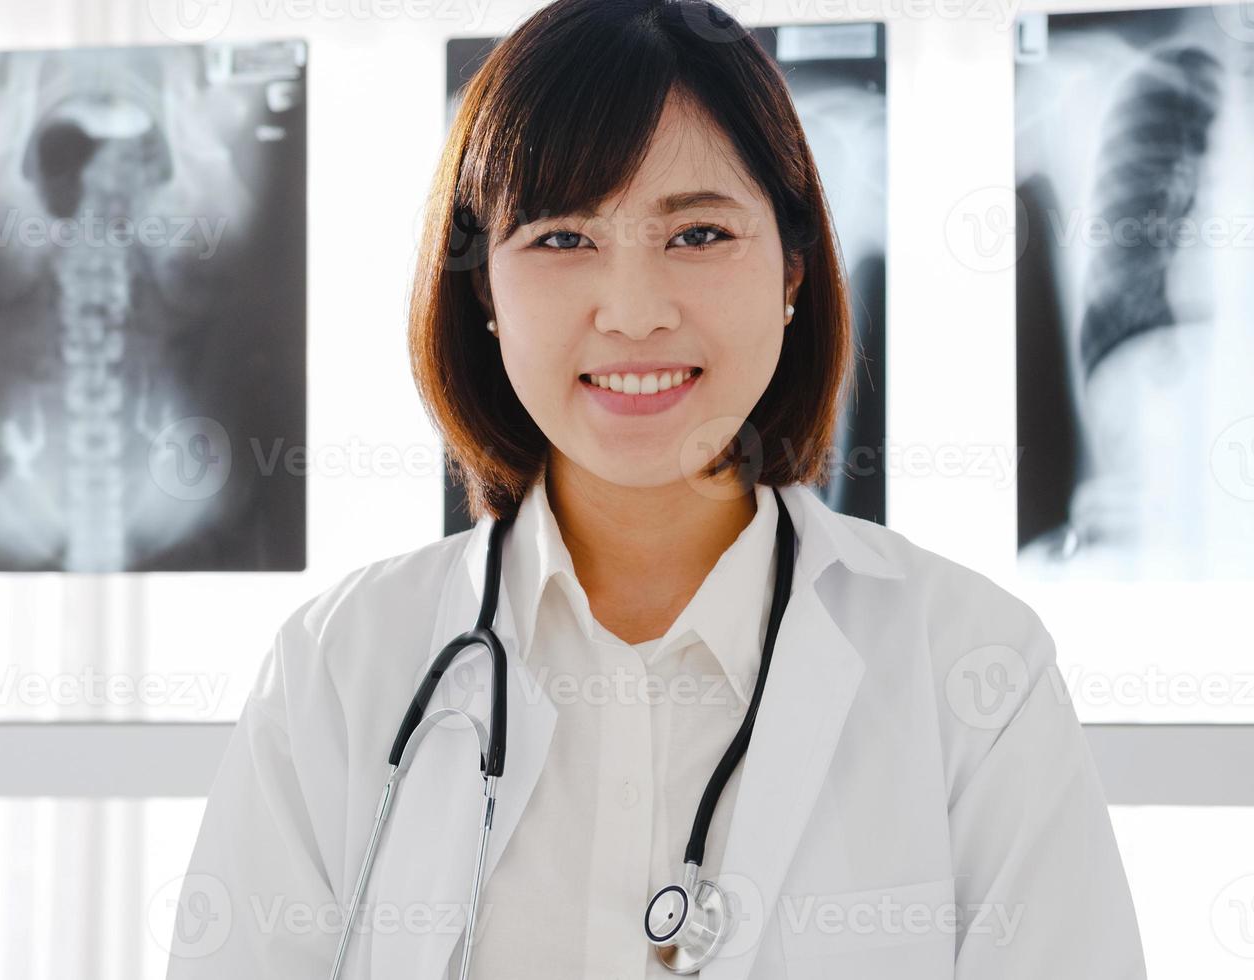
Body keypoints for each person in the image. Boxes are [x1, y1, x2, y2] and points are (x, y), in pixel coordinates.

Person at [165, 0, 1145, 976]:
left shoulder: (974, 669)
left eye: (697, 235)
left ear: (792, 265)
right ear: (483, 289)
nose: (633, 313)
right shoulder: (339, 668)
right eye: (561, 239)